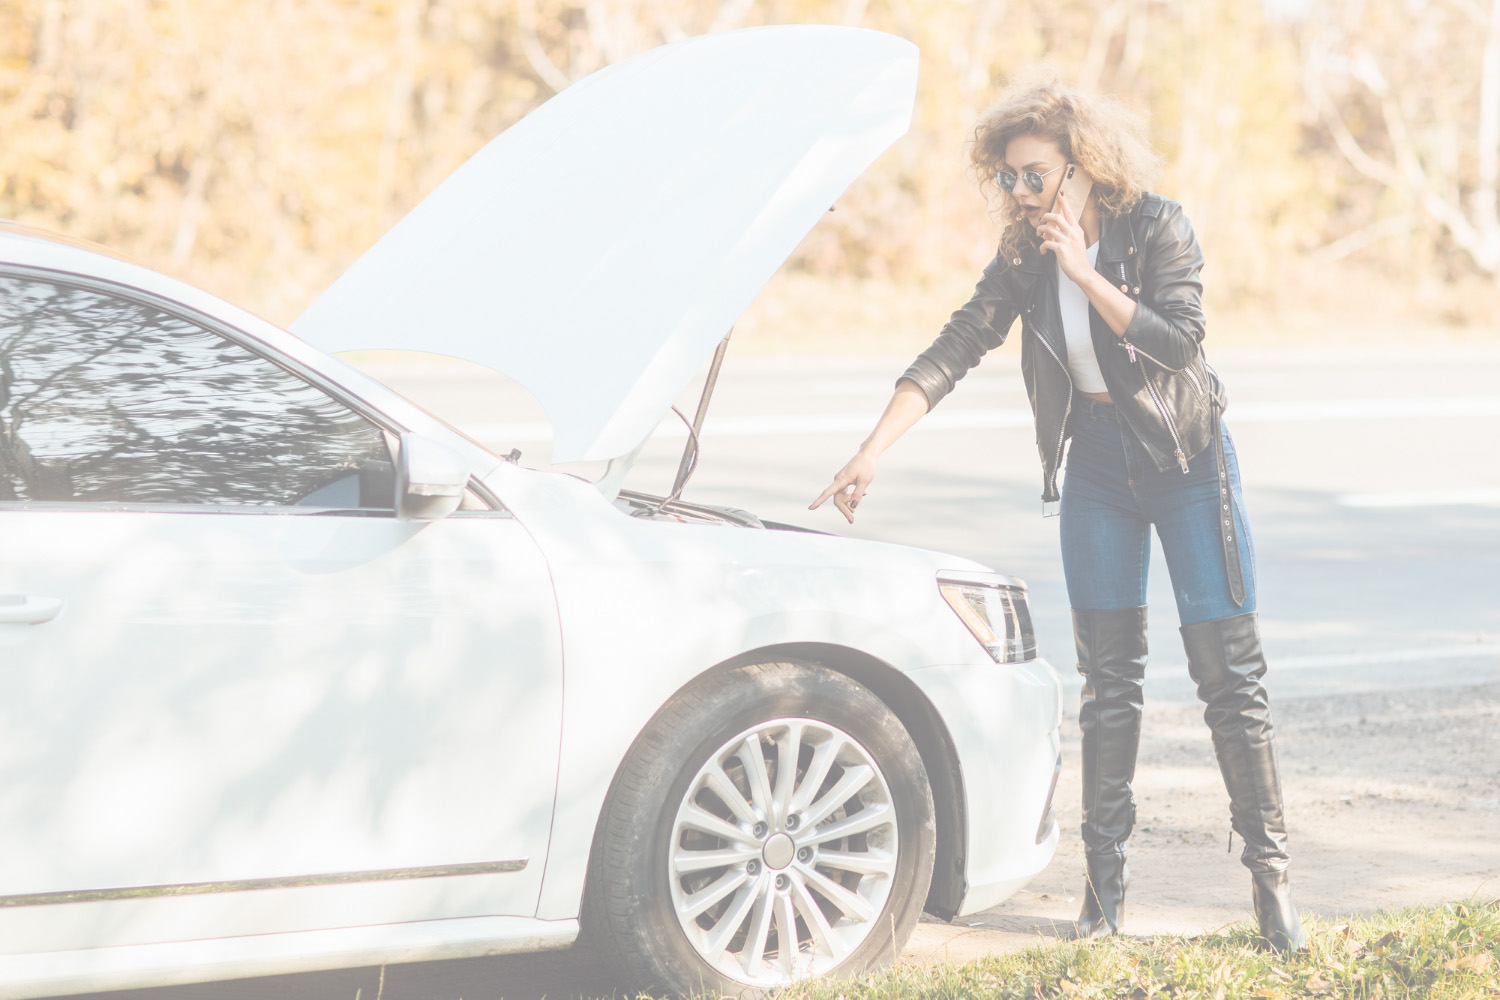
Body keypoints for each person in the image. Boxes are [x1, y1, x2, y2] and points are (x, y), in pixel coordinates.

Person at [810, 80, 1306, 953]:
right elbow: (959, 341)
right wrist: (872, 447)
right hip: (1100, 470)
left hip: (1189, 463)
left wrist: (1085, 273)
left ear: (1082, 166)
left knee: (1229, 677)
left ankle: (1272, 885)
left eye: (1033, 176)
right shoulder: (1023, 255)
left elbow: (1179, 340)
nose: (1021, 194)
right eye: (1008, 180)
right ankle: (1104, 892)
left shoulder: (1157, 225)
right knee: (1108, 687)